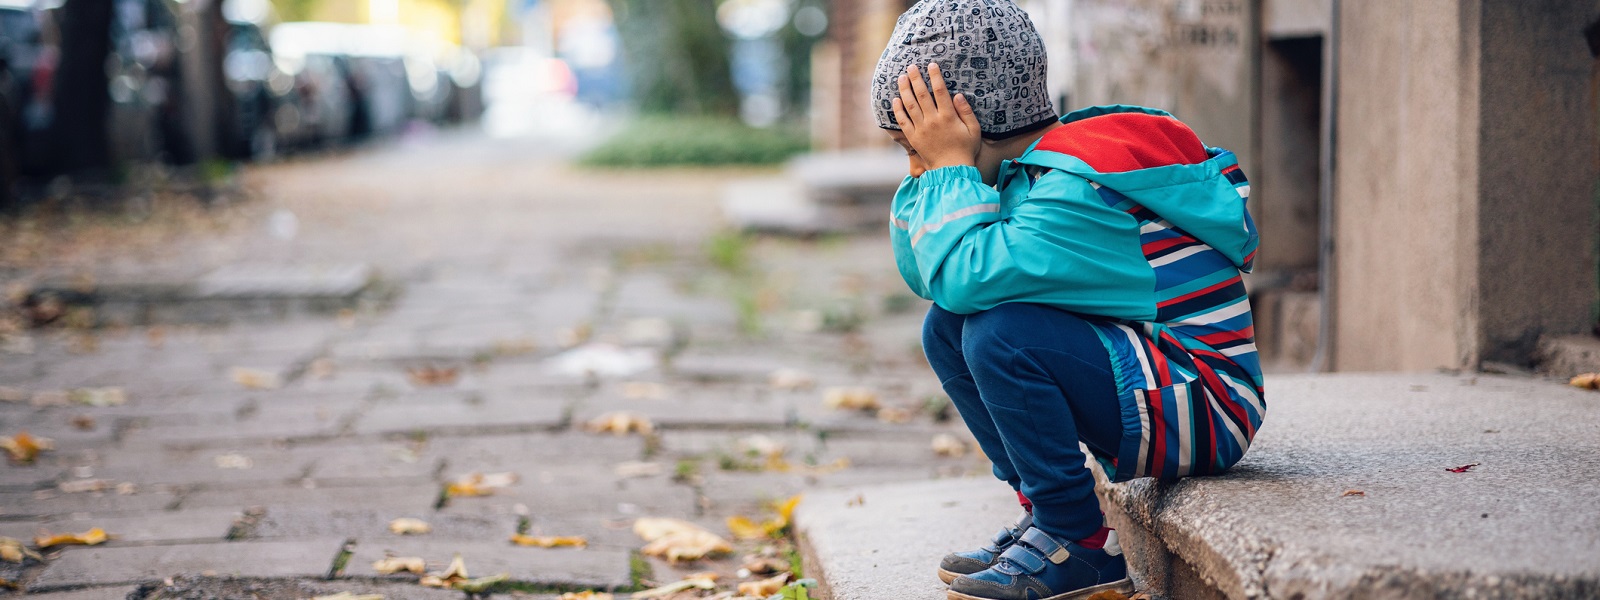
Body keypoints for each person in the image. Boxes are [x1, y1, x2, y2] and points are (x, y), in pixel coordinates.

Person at [872, 1, 1267, 599]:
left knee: (998, 332)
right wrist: (938, 173)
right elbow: (930, 277)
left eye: (917, 150)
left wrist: (947, 171)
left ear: (971, 121)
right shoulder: (1025, 174)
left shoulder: (1077, 191)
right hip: (1154, 379)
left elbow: (961, 276)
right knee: (946, 327)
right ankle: (1043, 513)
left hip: (1205, 405)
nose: (916, 169)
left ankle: (1076, 540)